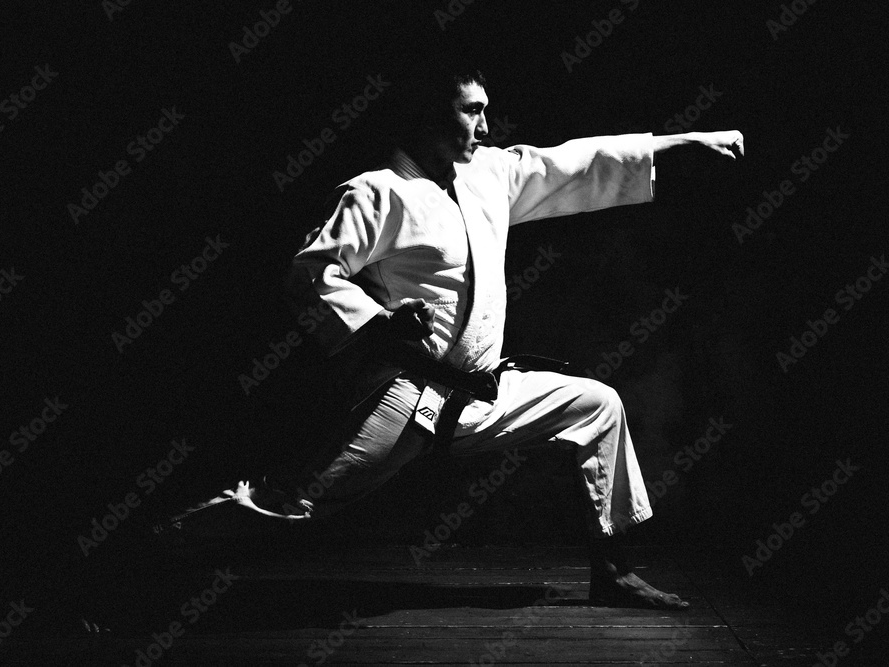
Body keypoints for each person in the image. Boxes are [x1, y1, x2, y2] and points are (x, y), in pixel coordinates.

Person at [195, 67, 743, 610]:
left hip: (482, 393)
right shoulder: (377, 193)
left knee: (598, 406)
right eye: (471, 110)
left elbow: (578, 163)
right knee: (295, 503)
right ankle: (152, 553)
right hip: (408, 396)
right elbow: (310, 273)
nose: (484, 123)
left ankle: (614, 572)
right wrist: (379, 322)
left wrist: (683, 143)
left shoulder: (489, 176)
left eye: (485, 109)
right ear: (431, 113)